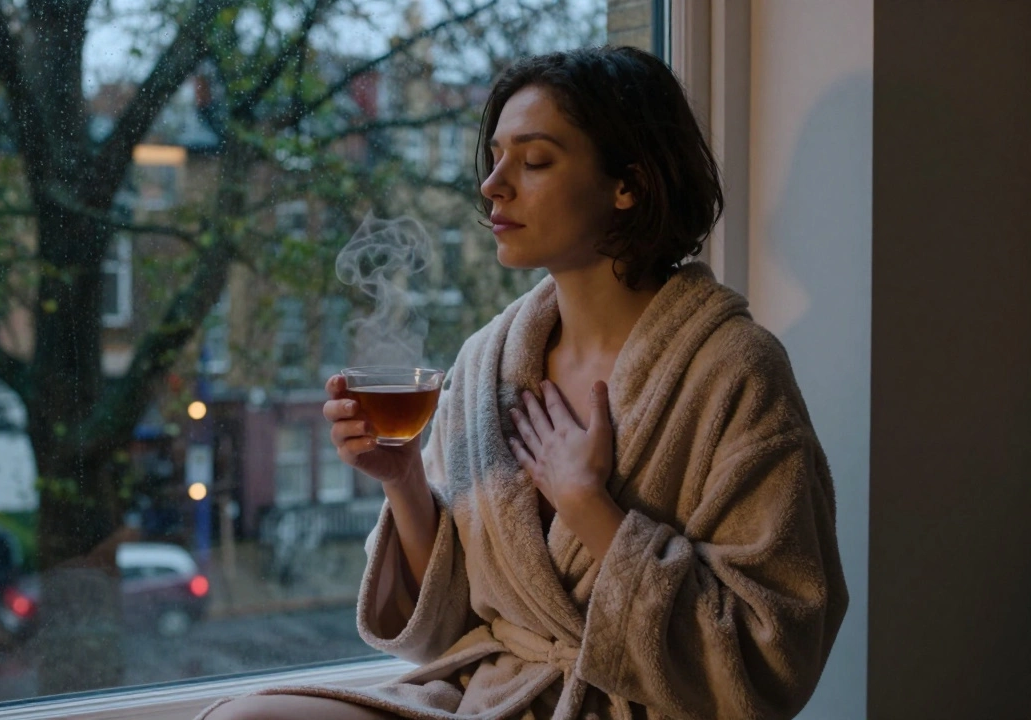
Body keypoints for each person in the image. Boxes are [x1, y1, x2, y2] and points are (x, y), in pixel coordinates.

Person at [202, 45, 848, 720]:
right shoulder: (488, 364)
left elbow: (772, 662)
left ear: (627, 184)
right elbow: (444, 627)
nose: (493, 185)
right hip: (490, 697)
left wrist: (590, 509)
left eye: (534, 160)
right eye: (496, 157)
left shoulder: (733, 372)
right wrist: (403, 482)